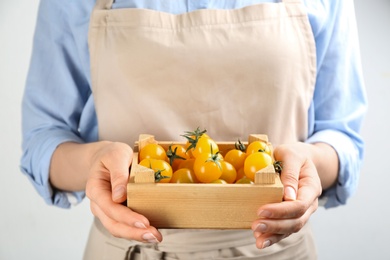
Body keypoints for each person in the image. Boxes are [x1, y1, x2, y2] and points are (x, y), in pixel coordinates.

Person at [21, 0, 367, 259]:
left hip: (276, 249)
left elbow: (342, 137)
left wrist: (308, 163)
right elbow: (43, 138)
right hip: (132, 248)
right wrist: (94, 160)